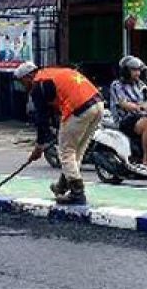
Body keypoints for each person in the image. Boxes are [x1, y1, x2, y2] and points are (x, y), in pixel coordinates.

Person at [15, 61, 104, 206]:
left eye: (22, 82)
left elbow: (42, 119)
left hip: (78, 107)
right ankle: (63, 186)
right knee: (77, 152)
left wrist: (39, 147)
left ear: (28, 76)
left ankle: (77, 193)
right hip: (98, 104)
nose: (23, 86)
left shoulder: (38, 84)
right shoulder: (52, 73)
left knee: (66, 152)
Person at [109, 55, 147, 170]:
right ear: (125, 71)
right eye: (134, 70)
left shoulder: (139, 84)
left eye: (138, 70)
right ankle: (146, 160)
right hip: (125, 120)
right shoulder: (117, 85)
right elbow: (123, 103)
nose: (138, 73)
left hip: (139, 117)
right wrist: (138, 107)